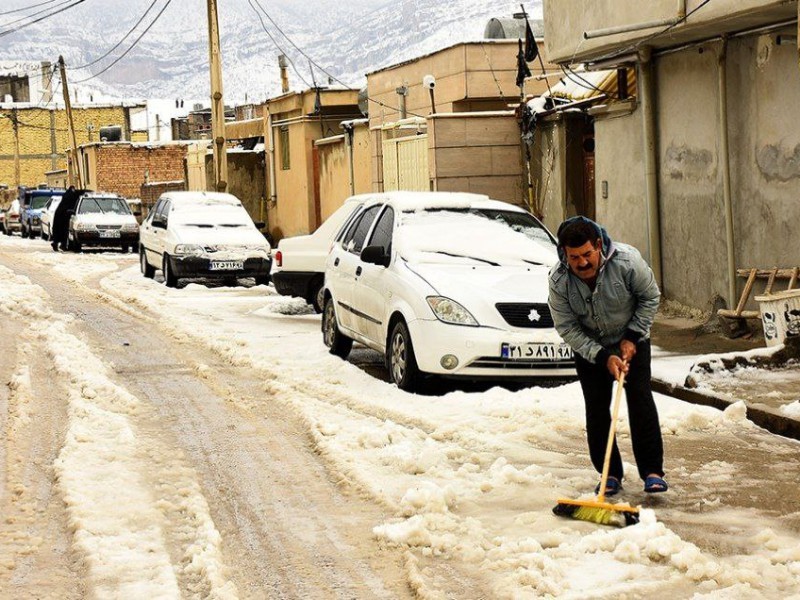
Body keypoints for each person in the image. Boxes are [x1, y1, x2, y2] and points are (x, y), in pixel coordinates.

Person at [547, 216, 667, 496]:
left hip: (632, 340)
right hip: (590, 349)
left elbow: (650, 297)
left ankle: (652, 471)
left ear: (599, 245)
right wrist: (602, 357)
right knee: (597, 409)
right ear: (564, 253)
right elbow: (566, 327)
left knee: (640, 401)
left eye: (587, 254)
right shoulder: (559, 281)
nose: (582, 263)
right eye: (574, 257)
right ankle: (609, 474)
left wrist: (632, 336)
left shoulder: (627, 262)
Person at [51, 186, 80, 251]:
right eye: (73, 189)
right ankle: (61, 245)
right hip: (63, 215)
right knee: (64, 231)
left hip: (60, 214)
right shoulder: (70, 196)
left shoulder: (66, 195)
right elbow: (76, 194)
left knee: (59, 230)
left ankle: (58, 244)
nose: (74, 191)